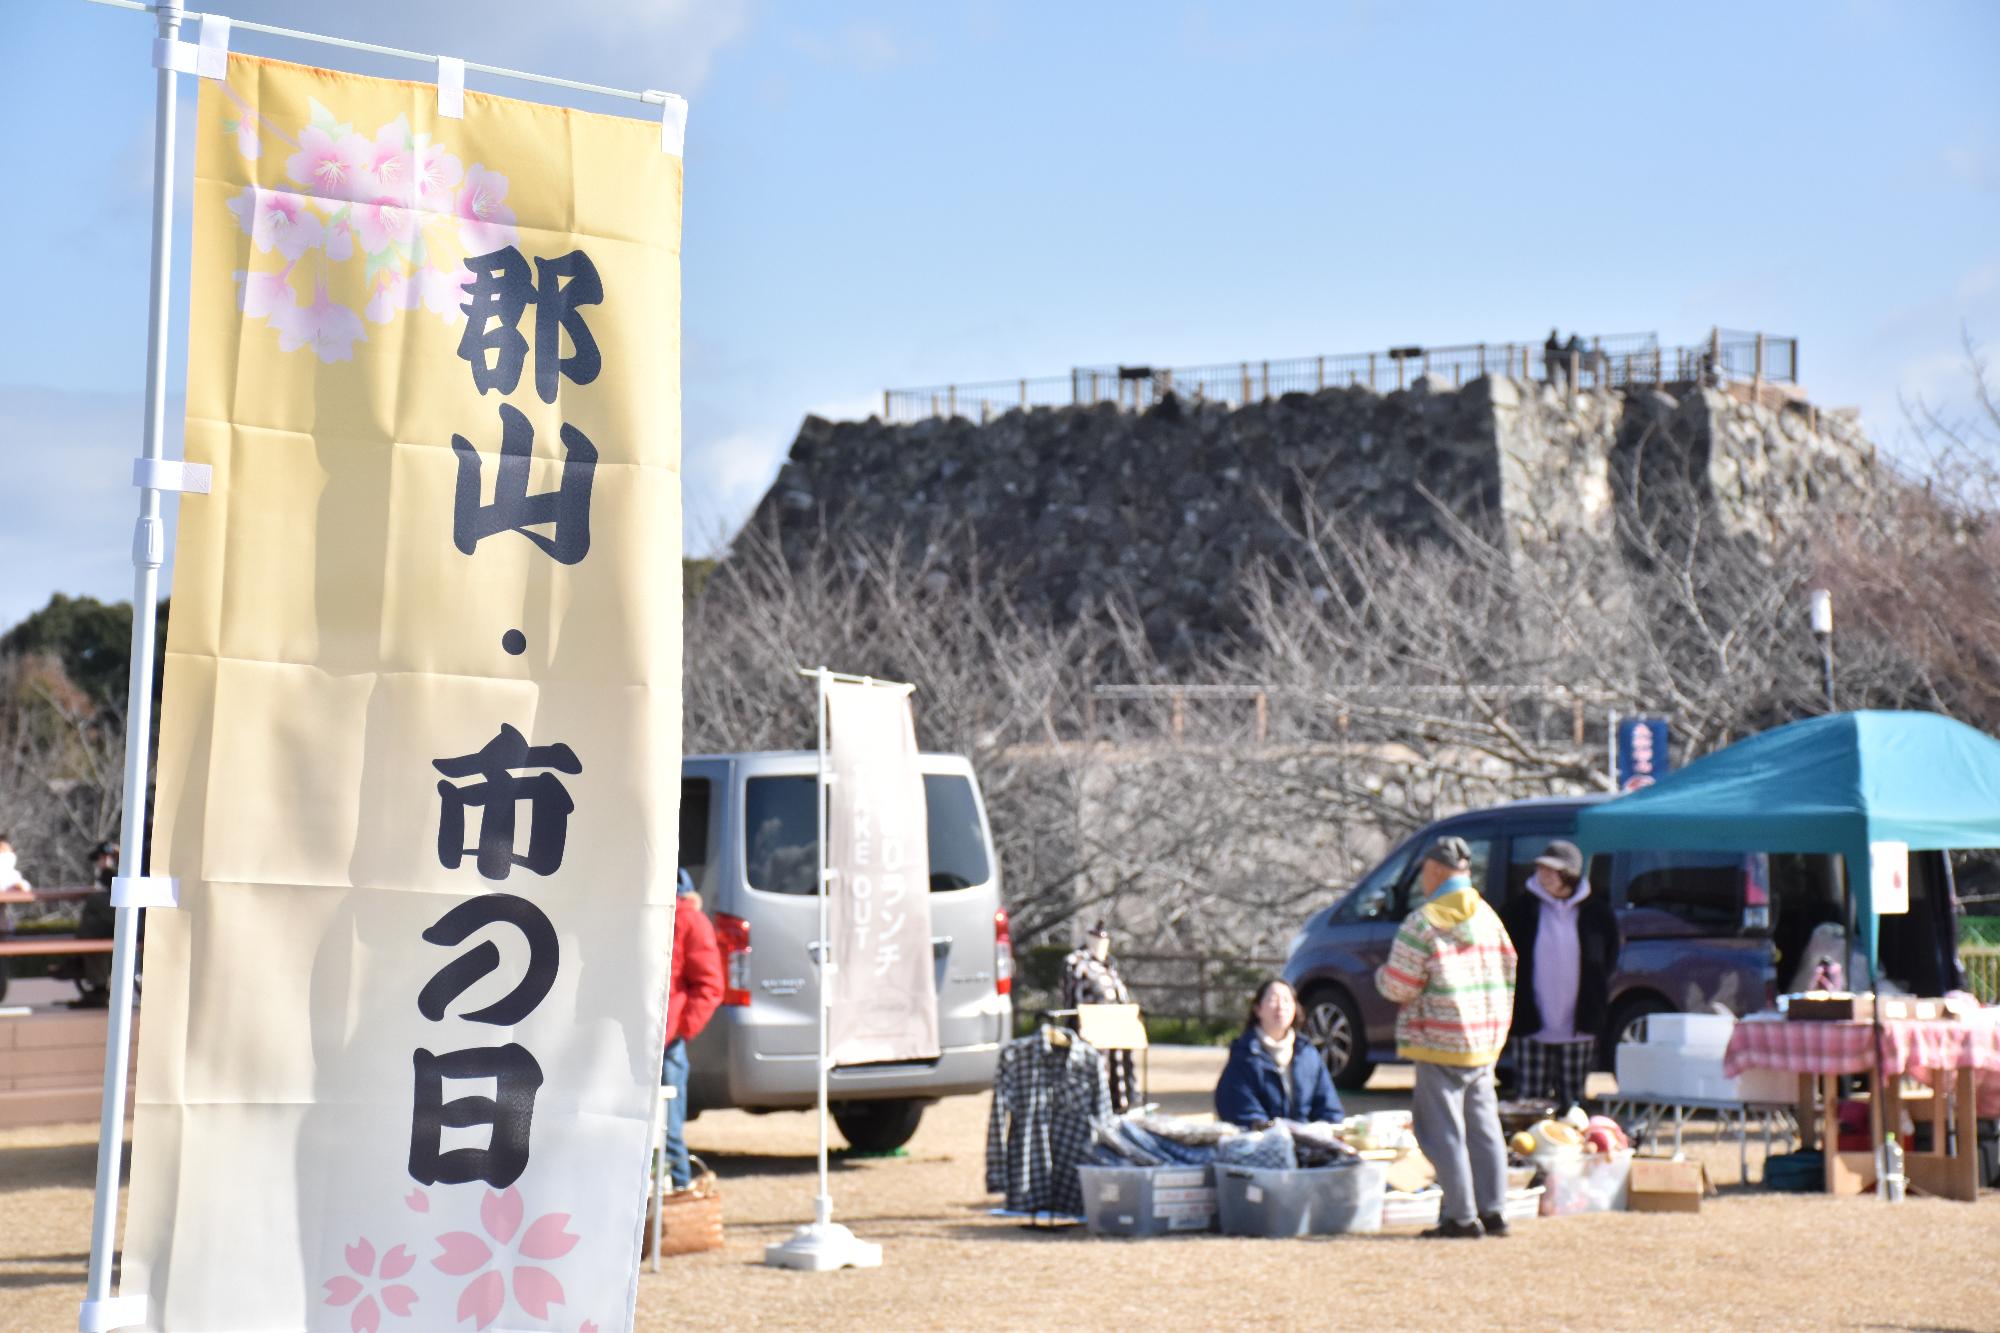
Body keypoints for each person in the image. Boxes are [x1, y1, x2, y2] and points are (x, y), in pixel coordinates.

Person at [1376, 835, 1517, 1239]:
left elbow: (1400, 986)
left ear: (1435, 872)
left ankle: (1459, 1216)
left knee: (1443, 1132)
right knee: (1484, 1127)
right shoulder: (1489, 918)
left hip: (1438, 1039)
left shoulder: (1425, 921)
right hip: (1484, 1041)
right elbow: (1510, 967)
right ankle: (1494, 1210)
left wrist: (1380, 978)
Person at [1501, 840, 1619, 1109]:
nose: (1544, 875)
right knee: (1530, 1103)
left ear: (1570, 874)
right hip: (1531, 1022)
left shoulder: (1597, 912)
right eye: (1541, 868)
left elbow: (1608, 959)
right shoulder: (1519, 909)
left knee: (1574, 1105)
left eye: (1552, 870)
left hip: (1579, 1023)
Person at [662, 869, 723, 1190]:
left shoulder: (689, 920)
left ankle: (679, 1198)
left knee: (669, 1131)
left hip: (667, 1041)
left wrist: (681, 1028)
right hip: (645, 1037)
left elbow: (710, 986)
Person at [1214, 978, 1342, 1128]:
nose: (1281, 1007)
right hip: (1261, 1145)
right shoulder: (1244, 1056)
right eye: (1273, 1000)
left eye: (1287, 1000)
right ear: (1257, 1009)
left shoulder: (1307, 1053)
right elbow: (1243, 1113)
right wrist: (1277, 1134)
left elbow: (1329, 1109)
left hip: (1308, 1144)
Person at [1061, 921, 1137, 1111]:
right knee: (1096, 1090)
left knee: (1118, 1091)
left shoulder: (1110, 965)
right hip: (1091, 1040)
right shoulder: (1075, 963)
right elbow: (1072, 1005)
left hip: (1118, 1039)